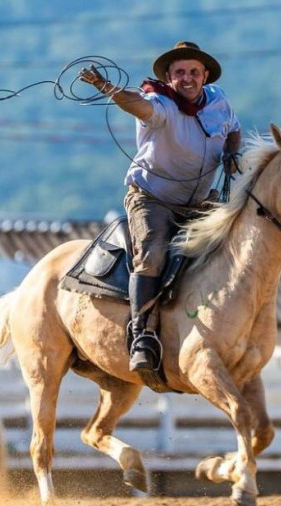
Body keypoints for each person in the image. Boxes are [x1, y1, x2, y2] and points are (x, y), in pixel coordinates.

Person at [79, 41, 241, 373]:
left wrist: (231, 152)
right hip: (152, 198)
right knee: (152, 253)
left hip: (198, 202)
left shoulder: (219, 101)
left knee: (236, 245)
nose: (187, 78)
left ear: (205, 76)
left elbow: (234, 130)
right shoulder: (161, 104)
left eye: (194, 72)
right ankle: (142, 334)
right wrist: (106, 87)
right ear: (169, 77)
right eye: (180, 72)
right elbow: (136, 105)